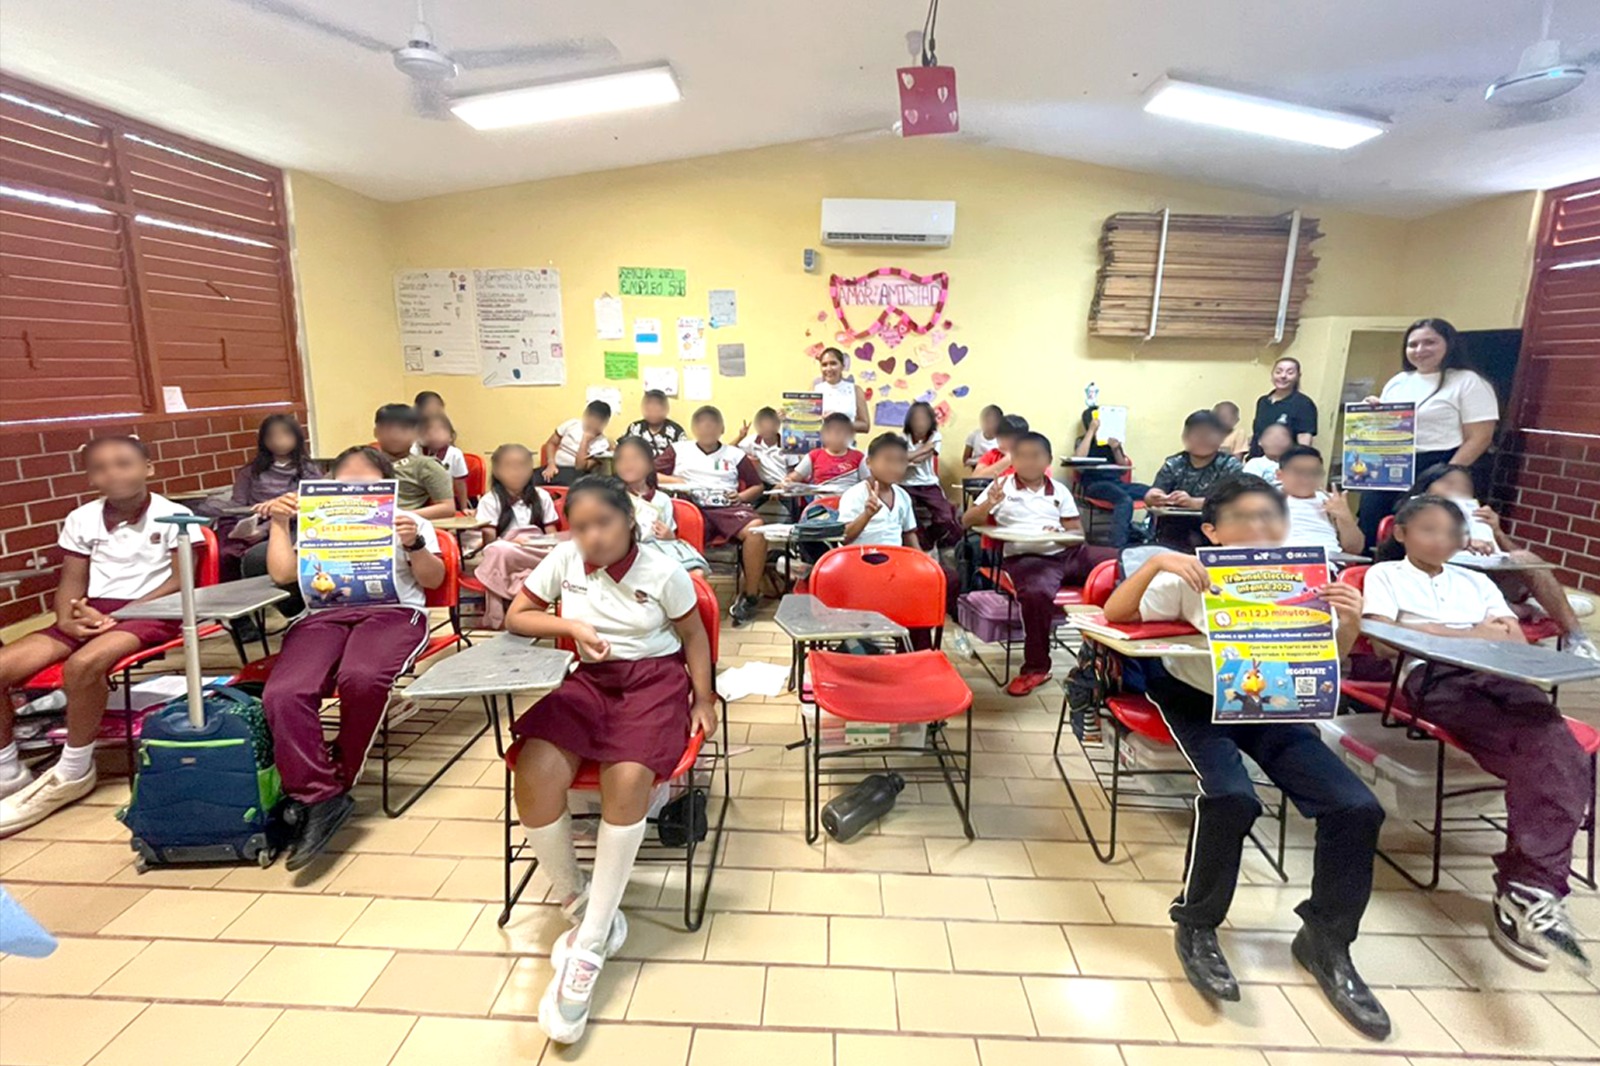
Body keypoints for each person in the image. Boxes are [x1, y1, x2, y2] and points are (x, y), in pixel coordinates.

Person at [1104, 474, 1391, 1038]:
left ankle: (1326, 940)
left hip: (1269, 701)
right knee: (1231, 795)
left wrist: (1350, 621)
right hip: (1195, 698)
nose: (1262, 526)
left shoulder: (1304, 578)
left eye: (1271, 517)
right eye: (1246, 517)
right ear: (1212, 531)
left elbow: (1327, 658)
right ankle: (1197, 923)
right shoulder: (1192, 573)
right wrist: (1156, 563)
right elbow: (1117, 614)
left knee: (1356, 806)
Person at [504, 476, 716, 1044]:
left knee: (626, 780)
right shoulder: (565, 561)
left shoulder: (663, 571)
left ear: (629, 520)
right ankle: (576, 896)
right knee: (535, 771)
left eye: (603, 523)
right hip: (591, 681)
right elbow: (518, 615)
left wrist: (704, 698)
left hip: (653, 682)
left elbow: (694, 636)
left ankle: (592, 941)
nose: (592, 537)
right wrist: (569, 625)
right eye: (580, 527)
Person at [1363, 494, 1591, 974]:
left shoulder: (1474, 580)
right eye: (1428, 529)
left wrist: (1430, 629)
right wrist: (1473, 633)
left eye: (1451, 532)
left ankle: (1529, 888)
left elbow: (1511, 637)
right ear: (1401, 533)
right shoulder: (1385, 576)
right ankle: (1530, 889)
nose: (1441, 540)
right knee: (1547, 754)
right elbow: (1385, 639)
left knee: (1559, 748)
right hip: (1432, 679)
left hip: (1501, 673)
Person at [259, 446, 444, 869]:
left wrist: (413, 543)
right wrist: (280, 523)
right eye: (345, 479)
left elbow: (434, 580)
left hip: (394, 612)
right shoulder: (314, 520)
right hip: (323, 616)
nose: (355, 486)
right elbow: (283, 574)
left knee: (361, 677)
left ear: (386, 485)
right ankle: (319, 795)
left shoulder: (409, 521)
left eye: (367, 479)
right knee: (284, 692)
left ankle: (332, 784)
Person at [0, 438, 189, 834]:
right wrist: (68, 617)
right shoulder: (81, 518)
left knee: (83, 665)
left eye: (123, 463)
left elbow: (179, 580)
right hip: (91, 611)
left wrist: (121, 614)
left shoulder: (175, 516)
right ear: (90, 478)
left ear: (148, 469)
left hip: (154, 612)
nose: (113, 473)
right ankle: (7, 770)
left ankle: (74, 768)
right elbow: (71, 581)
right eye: (100, 467)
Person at [1377, 464, 1598, 659]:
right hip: (1444, 586)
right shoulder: (1411, 516)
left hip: (1488, 581)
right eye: (1448, 483)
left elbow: (1513, 559)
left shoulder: (1477, 517)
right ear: (1426, 488)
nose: (1456, 490)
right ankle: (1537, 607)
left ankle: (1574, 636)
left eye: (1465, 487)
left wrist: (1497, 532)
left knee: (1525, 558)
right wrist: (1458, 541)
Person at [962, 432, 1118, 697]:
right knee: (1036, 593)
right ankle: (1036, 668)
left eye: (1036, 456)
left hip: (1067, 554)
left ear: (1048, 460)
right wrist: (990, 503)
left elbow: (1077, 533)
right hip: (1027, 559)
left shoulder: (1059, 490)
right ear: (1013, 459)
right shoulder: (1002, 487)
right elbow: (967, 521)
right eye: (1022, 456)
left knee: (1122, 562)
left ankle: (1114, 658)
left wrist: (1060, 531)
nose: (1029, 462)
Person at [1355, 318, 1499, 547]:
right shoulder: (1399, 381)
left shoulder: (1468, 382)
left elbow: (1480, 437)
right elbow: (1388, 426)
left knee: (1419, 530)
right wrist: (1372, 412)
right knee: (1372, 523)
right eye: (1413, 344)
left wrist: (1445, 477)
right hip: (1389, 463)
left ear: (1449, 344)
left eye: (1429, 342)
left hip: (1438, 463)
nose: (1420, 350)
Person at [659, 407, 770, 626]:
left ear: (722, 429)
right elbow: (650, 474)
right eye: (702, 425)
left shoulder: (735, 455)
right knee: (664, 528)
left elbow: (757, 486)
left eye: (712, 425)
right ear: (694, 428)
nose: (707, 429)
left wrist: (740, 496)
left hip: (726, 507)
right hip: (690, 506)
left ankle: (750, 596)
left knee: (756, 529)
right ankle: (674, 595)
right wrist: (677, 481)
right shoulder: (678, 450)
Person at [198, 414, 323, 580]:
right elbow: (238, 504)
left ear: (297, 437)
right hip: (253, 521)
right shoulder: (250, 470)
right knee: (225, 553)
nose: (278, 441)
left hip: (291, 525)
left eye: (285, 435)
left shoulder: (308, 470)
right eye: (271, 436)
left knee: (260, 556)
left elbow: (310, 504)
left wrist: (264, 530)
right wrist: (245, 526)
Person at [472, 443, 561, 628]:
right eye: (509, 466)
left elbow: (552, 536)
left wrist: (535, 542)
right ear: (497, 471)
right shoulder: (490, 500)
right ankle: (504, 611)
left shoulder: (542, 496)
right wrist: (511, 542)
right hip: (506, 551)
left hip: (536, 551)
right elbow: (489, 541)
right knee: (497, 550)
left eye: (522, 466)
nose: (516, 472)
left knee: (562, 552)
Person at [1146, 410, 1244, 549]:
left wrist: (1193, 502)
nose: (1202, 439)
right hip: (1174, 529)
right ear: (1185, 437)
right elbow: (1154, 492)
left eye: (1209, 434)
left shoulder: (1230, 465)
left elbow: (1235, 501)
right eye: (1196, 434)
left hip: (1216, 532)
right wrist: (1156, 497)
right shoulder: (1174, 463)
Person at [614, 436, 707, 573]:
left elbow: (669, 537)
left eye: (635, 458)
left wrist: (669, 535)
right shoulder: (612, 497)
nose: (628, 463)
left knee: (697, 572)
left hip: (658, 553)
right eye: (621, 459)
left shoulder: (662, 499)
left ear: (650, 465)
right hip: (626, 555)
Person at [1074, 406, 1151, 549]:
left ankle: (1148, 534)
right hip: (1094, 485)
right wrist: (1091, 431)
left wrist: (1115, 448)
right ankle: (1118, 545)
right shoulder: (1083, 441)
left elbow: (1123, 467)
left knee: (1154, 493)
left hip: (1116, 483)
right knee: (1124, 500)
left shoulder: (1110, 442)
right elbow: (1078, 461)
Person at [373, 403, 455, 521]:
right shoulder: (363, 462)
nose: (396, 435)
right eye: (388, 429)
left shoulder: (426, 465)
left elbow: (447, 508)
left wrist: (398, 516)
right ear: (376, 432)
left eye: (403, 429)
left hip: (404, 525)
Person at [839, 434, 920, 550]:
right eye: (888, 460)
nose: (895, 467)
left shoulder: (903, 496)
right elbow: (844, 538)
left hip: (894, 557)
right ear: (869, 462)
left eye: (901, 461)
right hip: (859, 557)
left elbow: (909, 534)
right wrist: (867, 515)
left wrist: (923, 558)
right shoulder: (854, 494)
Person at [1279, 446, 1363, 556]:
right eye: (1298, 472)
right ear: (1280, 475)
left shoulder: (1332, 500)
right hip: (1279, 561)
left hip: (1327, 561)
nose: (1306, 479)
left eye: (1314, 473)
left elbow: (1355, 549)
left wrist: (1344, 516)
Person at [901, 401, 963, 549]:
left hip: (928, 484)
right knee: (909, 518)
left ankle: (929, 539)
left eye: (924, 419)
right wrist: (923, 449)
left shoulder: (935, 436)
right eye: (916, 419)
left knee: (945, 517)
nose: (920, 423)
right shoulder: (902, 438)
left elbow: (919, 458)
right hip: (906, 484)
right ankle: (923, 543)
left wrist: (909, 456)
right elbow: (902, 457)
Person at [784, 412, 866, 496]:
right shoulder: (814, 456)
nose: (835, 437)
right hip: (821, 502)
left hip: (849, 501)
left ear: (850, 435)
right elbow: (794, 477)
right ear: (823, 434)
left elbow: (868, 483)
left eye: (841, 432)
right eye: (831, 432)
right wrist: (788, 481)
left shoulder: (859, 457)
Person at [1250, 356, 1318, 452]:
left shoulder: (1304, 403)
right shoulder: (1263, 401)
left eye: (1290, 373)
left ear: (1298, 376)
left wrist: (1300, 458)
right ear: (1272, 374)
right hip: (1258, 458)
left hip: (1286, 459)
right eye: (1278, 372)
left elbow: (1304, 439)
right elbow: (1257, 434)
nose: (1283, 376)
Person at [540, 400, 614, 486]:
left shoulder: (602, 444)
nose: (592, 424)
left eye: (597, 421)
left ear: (604, 423)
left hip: (575, 473)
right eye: (590, 418)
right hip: (554, 467)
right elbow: (551, 443)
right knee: (530, 478)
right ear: (585, 415)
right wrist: (551, 464)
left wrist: (585, 440)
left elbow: (580, 468)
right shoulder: (572, 424)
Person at [417, 411, 471, 512]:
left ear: (451, 437)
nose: (434, 435)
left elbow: (460, 483)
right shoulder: (414, 450)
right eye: (428, 431)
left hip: (445, 499)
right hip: (418, 500)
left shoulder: (455, 454)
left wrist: (464, 507)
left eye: (439, 431)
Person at [734, 407, 794, 491]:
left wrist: (781, 486)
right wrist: (740, 436)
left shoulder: (787, 443)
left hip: (782, 485)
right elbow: (729, 451)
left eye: (770, 426)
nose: (766, 429)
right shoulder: (752, 441)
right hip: (762, 487)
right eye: (763, 426)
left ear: (776, 426)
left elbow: (794, 472)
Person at [814, 346, 868, 434]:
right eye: (824, 365)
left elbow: (865, 426)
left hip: (847, 441)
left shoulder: (855, 390)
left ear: (842, 366)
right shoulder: (815, 390)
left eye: (833, 363)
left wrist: (840, 424)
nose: (828, 369)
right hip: (821, 441)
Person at [623, 389, 686, 461]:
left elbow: (683, 457)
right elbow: (623, 450)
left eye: (657, 410)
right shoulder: (635, 428)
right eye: (649, 410)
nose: (653, 414)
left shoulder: (676, 431)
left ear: (666, 409)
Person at [963, 404, 1004, 471]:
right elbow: (965, 461)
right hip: (977, 472)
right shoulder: (974, 435)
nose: (989, 425)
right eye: (986, 421)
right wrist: (979, 462)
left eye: (993, 422)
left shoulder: (1004, 439)